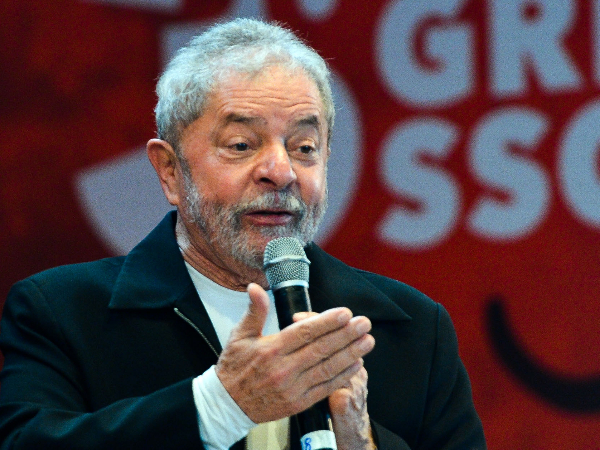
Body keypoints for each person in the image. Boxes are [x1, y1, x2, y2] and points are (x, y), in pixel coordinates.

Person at [0, 18, 486, 450]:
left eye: (304, 147)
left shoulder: (409, 330)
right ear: (170, 171)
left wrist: (361, 441)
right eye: (241, 144)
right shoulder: (62, 313)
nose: (281, 171)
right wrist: (220, 406)